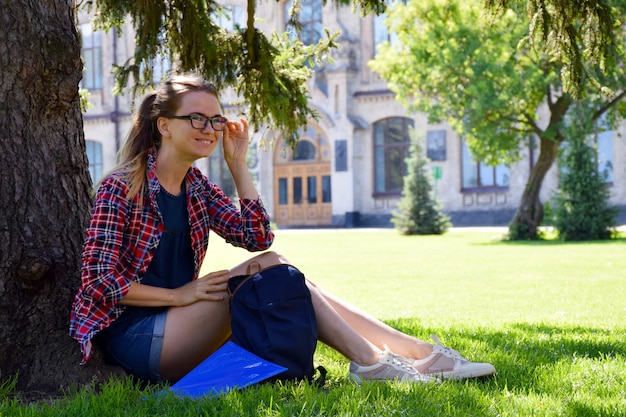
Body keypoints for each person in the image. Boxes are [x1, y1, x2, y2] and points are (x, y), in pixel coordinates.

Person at [69, 74, 496, 384]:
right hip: (138, 336)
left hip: (183, 321)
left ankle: (409, 355)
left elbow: (256, 238)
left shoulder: (196, 187)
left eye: (216, 120)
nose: (210, 129)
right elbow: (97, 282)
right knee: (271, 273)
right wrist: (179, 295)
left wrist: (238, 165)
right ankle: (381, 362)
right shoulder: (122, 187)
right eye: (196, 118)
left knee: (279, 267)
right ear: (164, 125)